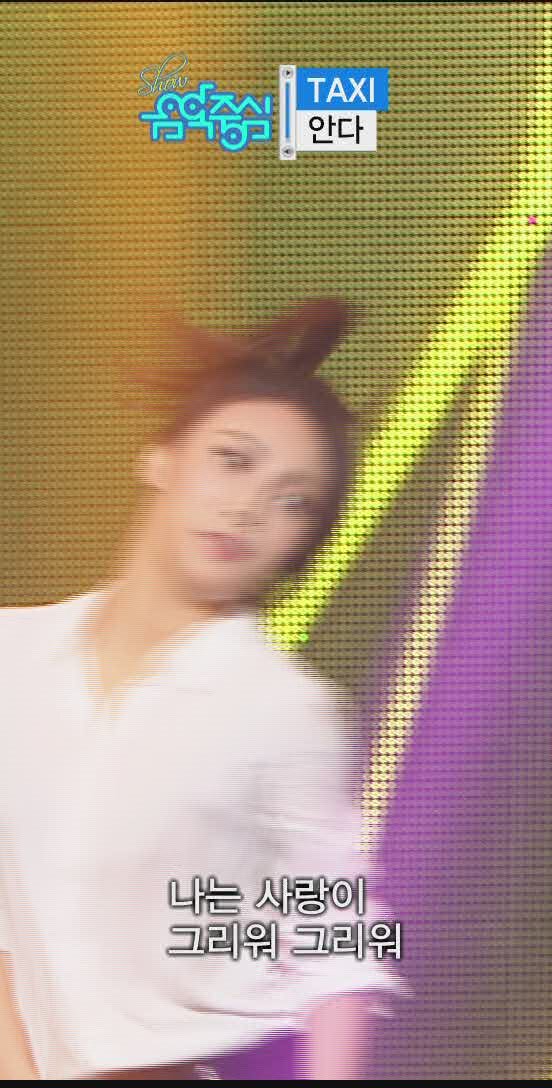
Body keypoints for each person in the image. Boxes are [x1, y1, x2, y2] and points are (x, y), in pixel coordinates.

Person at [0, 300, 408, 1079]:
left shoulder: (283, 711)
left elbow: (337, 945)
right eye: (232, 460)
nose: (248, 508)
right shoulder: (12, 657)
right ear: (162, 457)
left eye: (293, 501)